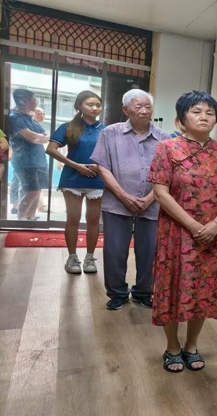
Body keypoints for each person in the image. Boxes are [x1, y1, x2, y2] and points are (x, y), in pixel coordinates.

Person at [149, 91, 217, 373]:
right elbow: (160, 192)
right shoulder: (167, 148)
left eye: (209, 113)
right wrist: (193, 226)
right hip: (176, 233)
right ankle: (172, 347)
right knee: (172, 287)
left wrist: (216, 225)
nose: (204, 117)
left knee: (202, 289)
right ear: (182, 118)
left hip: (213, 235)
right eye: (196, 111)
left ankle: (191, 345)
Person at [90, 89, 170, 311]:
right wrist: (124, 196)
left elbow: (167, 173)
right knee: (114, 250)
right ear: (125, 110)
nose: (144, 111)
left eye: (148, 106)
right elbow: (102, 167)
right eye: (139, 106)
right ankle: (117, 293)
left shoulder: (164, 138)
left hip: (153, 203)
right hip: (117, 203)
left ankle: (143, 292)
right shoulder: (110, 133)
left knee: (150, 251)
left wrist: (151, 197)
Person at [46, 91, 105, 274]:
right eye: (90, 104)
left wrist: (99, 167)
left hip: (97, 180)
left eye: (98, 105)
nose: (95, 108)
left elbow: (113, 155)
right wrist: (76, 165)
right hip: (72, 179)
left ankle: (90, 258)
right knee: (73, 218)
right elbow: (51, 149)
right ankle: (72, 258)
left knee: (93, 220)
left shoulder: (106, 130)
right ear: (79, 106)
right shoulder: (68, 127)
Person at [7, 89, 49, 220]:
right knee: (32, 191)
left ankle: (30, 217)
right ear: (25, 102)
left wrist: (39, 137)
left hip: (39, 160)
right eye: (34, 99)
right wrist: (40, 137)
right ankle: (21, 218)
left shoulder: (31, 119)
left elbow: (46, 136)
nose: (36, 102)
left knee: (38, 190)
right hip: (25, 161)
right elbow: (32, 137)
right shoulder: (14, 118)